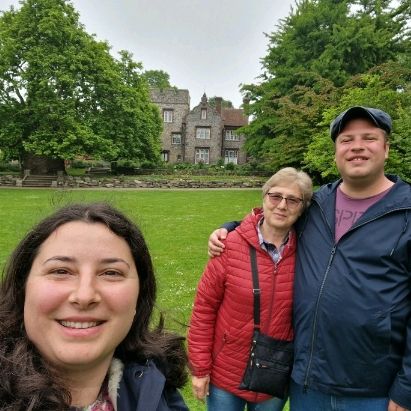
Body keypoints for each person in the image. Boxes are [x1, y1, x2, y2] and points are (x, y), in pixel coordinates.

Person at [208, 107, 411, 411]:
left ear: (386, 147)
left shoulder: (406, 212)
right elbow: (273, 219)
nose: (357, 146)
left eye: (369, 138)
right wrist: (230, 229)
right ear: (335, 152)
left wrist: (406, 388)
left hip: (373, 390)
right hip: (307, 384)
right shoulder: (315, 204)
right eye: (346, 139)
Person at [0, 203, 188, 411]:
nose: (85, 295)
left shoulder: (158, 393)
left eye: (111, 273)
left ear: (139, 297)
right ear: (22, 289)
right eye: (61, 271)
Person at [188, 167, 313, 411]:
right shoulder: (229, 246)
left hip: (275, 373)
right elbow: (204, 311)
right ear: (264, 197)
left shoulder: (309, 251)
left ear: (302, 207)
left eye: (293, 200)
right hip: (226, 373)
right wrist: (200, 369)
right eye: (275, 196)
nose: (282, 205)